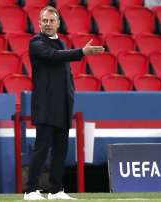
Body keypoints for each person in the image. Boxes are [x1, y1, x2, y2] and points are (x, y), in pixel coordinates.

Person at [24, 6, 104, 200]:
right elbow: (53, 57)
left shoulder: (60, 43)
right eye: (45, 21)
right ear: (39, 22)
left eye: (52, 21)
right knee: (41, 148)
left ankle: (55, 190)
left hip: (62, 106)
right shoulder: (36, 42)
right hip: (45, 105)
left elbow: (65, 74)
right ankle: (30, 190)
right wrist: (82, 52)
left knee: (61, 149)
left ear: (58, 23)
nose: (48, 24)